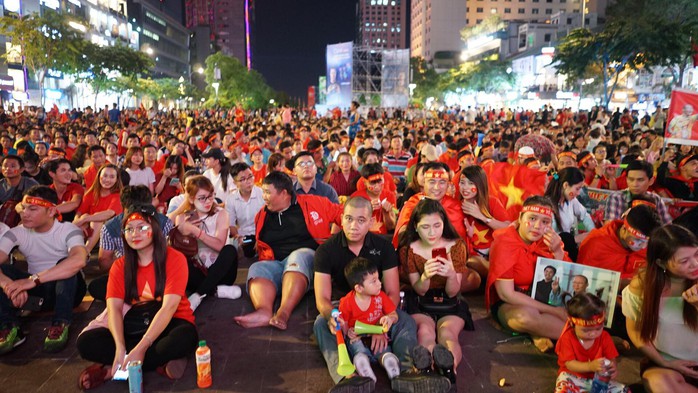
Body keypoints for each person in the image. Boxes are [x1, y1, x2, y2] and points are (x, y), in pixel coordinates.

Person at [313, 196, 447, 393]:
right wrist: (332, 316)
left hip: (378, 304)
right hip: (344, 307)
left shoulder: (383, 247)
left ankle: (407, 373)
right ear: (341, 219)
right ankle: (346, 378)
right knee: (321, 323)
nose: (353, 226)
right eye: (349, 219)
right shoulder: (326, 250)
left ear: (371, 222)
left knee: (405, 321)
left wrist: (380, 325)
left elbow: (392, 292)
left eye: (360, 220)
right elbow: (322, 298)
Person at [75, 205, 198, 390]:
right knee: (86, 343)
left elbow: (168, 308)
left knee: (185, 337)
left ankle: (112, 369)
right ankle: (154, 362)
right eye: (129, 229)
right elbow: (115, 309)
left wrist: (141, 347)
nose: (135, 234)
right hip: (134, 322)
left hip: (170, 320)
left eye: (142, 227)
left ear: (155, 230)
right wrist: (119, 347)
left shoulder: (175, 258)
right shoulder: (120, 265)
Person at [235, 171, 342, 330]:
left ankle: (283, 312)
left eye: (267, 192)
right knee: (257, 268)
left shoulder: (314, 203)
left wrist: (337, 239)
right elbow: (260, 247)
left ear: (284, 193)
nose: (263, 196)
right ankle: (264, 311)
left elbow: (343, 215)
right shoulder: (262, 215)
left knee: (297, 256)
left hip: (309, 262)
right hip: (278, 264)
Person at [398, 198, 478, 388]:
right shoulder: (408, 249)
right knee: (425, 332)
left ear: (444, 223)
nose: (432, 232)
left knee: (448, 334)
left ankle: (449, 369)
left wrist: (451, 274)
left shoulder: (456, 246)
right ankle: (429, 370)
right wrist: (425, 275)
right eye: (425, 227)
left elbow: (453, 292)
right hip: (420, 299)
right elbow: (419, 288)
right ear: (416, 227)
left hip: (449, 301)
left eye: (437, 225)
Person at [0, 186, 87, 354]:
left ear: (51, 211)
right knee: (4, 270)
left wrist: (32, 280)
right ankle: (9, 326)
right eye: (24, 208)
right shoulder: (16, 233)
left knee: (66, 264)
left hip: (68, 291)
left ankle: (60, 323)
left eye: (33, 209)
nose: (25, 213)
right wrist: (8, 285)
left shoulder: (69, 229)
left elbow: (79, 259)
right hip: (38, 294)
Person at [486, 196, 570, 353]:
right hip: (512, 304)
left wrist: (557, 251)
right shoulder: (505, 241)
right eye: (532, 218)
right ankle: (588, 339)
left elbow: (566, 282)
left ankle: (540, 331)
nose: (537, 226)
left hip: (545, 301)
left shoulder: (550, 242)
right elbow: (506, 295)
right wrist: (554, 311)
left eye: (545, 222)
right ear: (519, 218)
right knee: (525, 317)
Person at [623, 225, 698, 392]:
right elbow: (635, 332)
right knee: (661, 384)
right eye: (684, 261)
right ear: (661, 263)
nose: (695, 264)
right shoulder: (644, 285)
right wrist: (665, 362)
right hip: (665, 363)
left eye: (697, 254)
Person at [168, 176, 240, 310]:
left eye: (210, 196)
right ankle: (215, 291)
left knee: (230, 250)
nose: (207, 202)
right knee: (178, 259)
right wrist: (183, 231)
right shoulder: (183, 217)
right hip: (197, 272)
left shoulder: (221, 214)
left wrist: (196, 231)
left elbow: (219, 245)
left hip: (221, 272)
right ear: (191, 198)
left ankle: (198, 295)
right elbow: (178, 248)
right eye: (202, 198)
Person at [92, 186, 174, 301]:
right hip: (127, 273)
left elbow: (169, 258)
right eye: (130, 229)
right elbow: (104, 263)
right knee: (97, 287)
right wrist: (129, 259)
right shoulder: (111, 227)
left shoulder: (163, 222)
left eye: (142, 226)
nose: (136, 231)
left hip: (156, 272)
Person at [337, 257, 401, 383]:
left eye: (378, 278)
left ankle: (389, 362)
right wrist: (347, 331)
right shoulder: (347, 302)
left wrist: (389, 318)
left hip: (378, 335)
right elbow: (342, 322)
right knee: (356, 347)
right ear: (359, 288)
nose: (379, 283)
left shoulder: (380, 296)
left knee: (383, 350)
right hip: (358, 337)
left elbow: (394, 314)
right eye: (374, 281)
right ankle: (363, 365)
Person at [554, 293, 627, 393]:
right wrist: (590, 366)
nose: (593, 334)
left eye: (598, 328)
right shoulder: (568, 338)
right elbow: (570, 364)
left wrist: (612, 368)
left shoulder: (604, 337)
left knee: (623, 390)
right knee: (564, 387)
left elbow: (611, 359)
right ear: (572, 323)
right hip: (573, 378)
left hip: (598, 380)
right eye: (586, 330)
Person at [578, 204, 661, 287]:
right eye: (638, 240)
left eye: (647, 242)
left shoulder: (651, 247)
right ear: (624, 229)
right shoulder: (594, 244)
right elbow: (582, 282)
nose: (643, 246)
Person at [458, 165, 509, 271]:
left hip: (493, 254)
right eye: (462, 183)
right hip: (470, 256)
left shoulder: (492, 202)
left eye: (471, 183)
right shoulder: (456, 206)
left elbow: (508, 228)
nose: (465, 188)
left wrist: (482, 217)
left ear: (480, 185)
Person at [544, 167, 595, 261]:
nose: (579, 193)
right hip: (552, 253)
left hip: (567, 249)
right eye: (577, 189)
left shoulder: (571, 201)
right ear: (566, 185)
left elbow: (584, 215)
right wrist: (575, 239)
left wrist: (592, 232)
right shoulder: (546, 206)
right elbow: (548, 237)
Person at [74, 164, 123, 253]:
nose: (107, 180)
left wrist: (86, 218)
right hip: (89, 228)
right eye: (104, 176)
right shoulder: (91, 193)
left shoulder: (118, 195)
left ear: (116, 179)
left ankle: (86, 252)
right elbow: (80, 212)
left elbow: (109, 213)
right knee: (83, 221)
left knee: (96, 220)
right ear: (99, 176)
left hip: (110, 231)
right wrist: (79, 221)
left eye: (112, 177)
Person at [605, 159, 672, 224]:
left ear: (651, 181)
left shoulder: (656, 199)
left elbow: (666, 226)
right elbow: (610, 227)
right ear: (626, 179)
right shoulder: (616, 198)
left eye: (640, 180)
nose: (635, 184)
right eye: (631, 179)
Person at [225, 162, 264, 258]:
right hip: (245, 236)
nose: (248, 181)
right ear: (235, 183)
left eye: (250, 176)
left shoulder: (262, 194)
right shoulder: (231, 199)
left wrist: (260, 238)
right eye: (242, 179)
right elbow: (231, 224)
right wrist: (238, 237)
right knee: (247, 245)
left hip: (263, 234)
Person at [351, 163, 396, 235]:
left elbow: (391, 227)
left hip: (382, 238)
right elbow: (351, 225)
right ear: (365, 182)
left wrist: (386, 214)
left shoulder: (389, 196)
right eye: (372, 183)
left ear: (384, 178)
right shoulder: (356, 197)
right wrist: (366, 211)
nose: (377, 186)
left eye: (380, 181)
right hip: (361, 237)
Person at [46, 158, 84, 223]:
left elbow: (74, 203)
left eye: (69, 170)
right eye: (63, 170)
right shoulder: (46, 191)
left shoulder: (76, 187)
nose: (68, 174)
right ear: (52, 174)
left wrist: (52, 210)